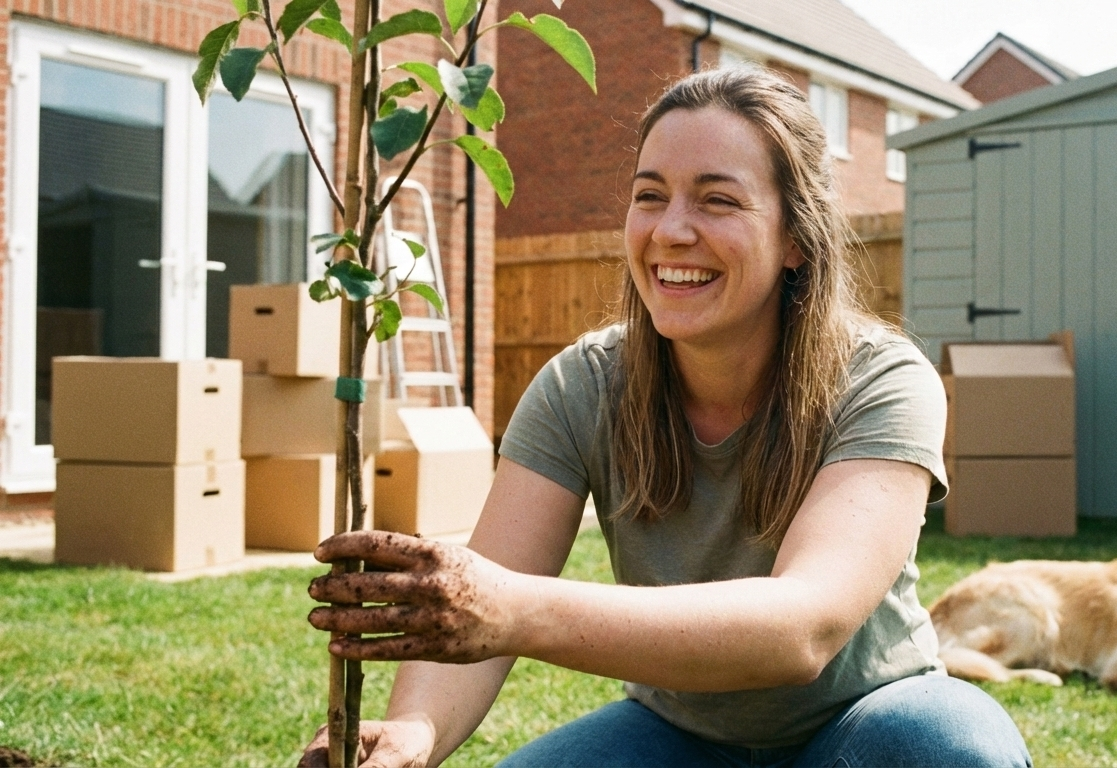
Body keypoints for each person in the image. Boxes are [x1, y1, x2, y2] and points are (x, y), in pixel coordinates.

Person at [300, 67, 1031, 768]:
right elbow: (484, 607)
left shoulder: (881, 378)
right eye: (651, 195)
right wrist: (413, 733)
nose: (671, 230)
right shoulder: (581, 388)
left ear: (796, 241)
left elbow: (803, 628)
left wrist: (510, 607)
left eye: (717, 200)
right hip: (677, 736)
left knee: (954, 747)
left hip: (868, 728)